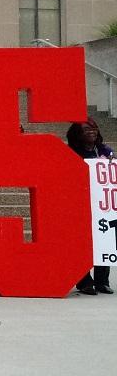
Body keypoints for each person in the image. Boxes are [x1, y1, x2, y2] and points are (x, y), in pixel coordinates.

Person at [67, 119, 113, 294]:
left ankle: (102, 280)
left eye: (94, 128)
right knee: (81, 241)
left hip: (101, 205)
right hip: (79, 203)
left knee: (104, 239)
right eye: (86, 129)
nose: (92, 131)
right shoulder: (70, 152)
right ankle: (84, 281)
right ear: (77, 134)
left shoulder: (105, 151)